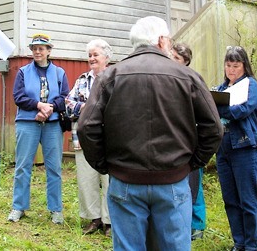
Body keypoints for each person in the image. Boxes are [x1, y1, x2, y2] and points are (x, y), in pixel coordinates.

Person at [78, 16, 223, 251]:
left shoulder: (110, 77)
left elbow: (86, 127)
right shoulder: (187, 77)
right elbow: (214, 128)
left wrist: (105, 164)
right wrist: (192, 163)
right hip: (172, 180)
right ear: (161, 40)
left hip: (126, 180)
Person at [8, 33, 69, 225]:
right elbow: (19, 97)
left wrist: (49, 108)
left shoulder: (59, 73)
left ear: (49, 51)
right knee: (23, 166)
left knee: (54, 168)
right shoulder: (23, 72)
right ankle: (19, 207)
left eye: (41, 48)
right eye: (34, 48)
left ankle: (56, 209)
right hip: (28, 123)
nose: (37, 52)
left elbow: (65, 97)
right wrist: (38, 106)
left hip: (51, 125)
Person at [214, 45, 257, 251]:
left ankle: (252, 246)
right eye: (228, 65)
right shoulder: (221, 88)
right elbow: (209, 109)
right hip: (223, 149)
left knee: (248, 199)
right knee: (230, 198)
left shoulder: (252, 85)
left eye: (236, 65)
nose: (231, 70)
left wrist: (221, 108)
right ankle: (239, 242)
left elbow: (242, 110)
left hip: (245, 147)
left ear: (244, 66)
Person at [66, 39, 112, 236]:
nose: (92, 58)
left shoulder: (114, 78)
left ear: (106, 58)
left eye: (96, 55)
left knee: (110, 179)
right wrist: (83, 107)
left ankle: (110, 221)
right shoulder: (82, 80)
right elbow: (68, 104)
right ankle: (94, 219)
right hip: (84, 137)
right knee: (87, 178)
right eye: (89, 55)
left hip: (110, 138)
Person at [170, 43, 206, 241]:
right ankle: (181, 222)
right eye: (171, 56)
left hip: (192, 139)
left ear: (185, 61)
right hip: (175, 141)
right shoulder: (168, 78)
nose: (172, 60)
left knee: (195, 183)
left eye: (176, 58)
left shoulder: (192, 80)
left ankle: (198, 224)